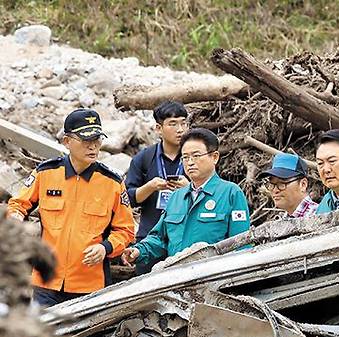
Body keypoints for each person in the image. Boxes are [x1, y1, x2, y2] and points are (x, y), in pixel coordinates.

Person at [7, 108, 135, 307]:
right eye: (86, 140)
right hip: (46, 282)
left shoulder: (113, 183)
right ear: (67, 141)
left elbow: (126, 230)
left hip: (90, 285)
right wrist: (15, 218)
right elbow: (18, 204)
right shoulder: (45, 173)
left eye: (97, 140)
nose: (93, 146)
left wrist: (105, 247)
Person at [122, 128, 250, 267]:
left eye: (196, 156)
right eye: (185, 157)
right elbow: (160, 238)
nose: (189, 163)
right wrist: (139, 251)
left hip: (213, 276)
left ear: (214, 157)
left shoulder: (231, 193)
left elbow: (241, 244)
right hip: (178, 276)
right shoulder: (177, 196)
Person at [125, 100, 190, 274]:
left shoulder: (194, 158)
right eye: (173, 124)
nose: (180, 129)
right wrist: (151, 186)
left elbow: (212, 191)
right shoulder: (144, 158)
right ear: (158, 129)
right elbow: (128, 199)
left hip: (184, 239)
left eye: (184, 123)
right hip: (149, 238)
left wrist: (189, 187)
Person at [259, 153, 318, 218]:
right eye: (271, 184)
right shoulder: (283, 220)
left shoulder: (318, 215)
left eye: (281, 184)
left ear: (303, 184)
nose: (275, 190)